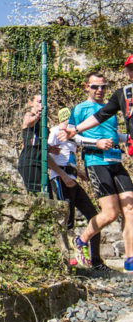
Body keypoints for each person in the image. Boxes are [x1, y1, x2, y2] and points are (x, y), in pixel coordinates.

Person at [62, 68, 133, 274]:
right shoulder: (80, 109)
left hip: (116, 161)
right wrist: (96, 142)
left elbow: (113, 134)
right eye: (95, 86)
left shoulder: (110, 108)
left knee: (129, 207)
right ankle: (81, 240)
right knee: (110, 213)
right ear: (87, 87)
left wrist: (125, 138)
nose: (100, 90)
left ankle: (130, 257)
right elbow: (73, 136)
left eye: (103, 86)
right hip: (95, 161)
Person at [48, 106, 109, 274]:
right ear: (60, 120)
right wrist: (63, 175)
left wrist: (77, 172)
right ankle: (66, 261)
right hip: (60, 178)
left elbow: (69, 156)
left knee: (94, 217)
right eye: (65, 120)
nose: (67, 123)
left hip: (73, 178)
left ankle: (95, 261)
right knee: (66, 220)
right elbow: (47, 157)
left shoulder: (73, 134)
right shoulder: (54, 132)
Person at [17, 94, 45, 194]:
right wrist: (38, 115)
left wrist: (50, 147)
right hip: (29, 161)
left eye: (43, 101)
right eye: (39, 101)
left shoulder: (42, 122)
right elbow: (27, 123)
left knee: (45, 194)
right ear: (31, 103)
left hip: (40, 162)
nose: (42, 104)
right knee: (35, 193)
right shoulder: (29, 115)